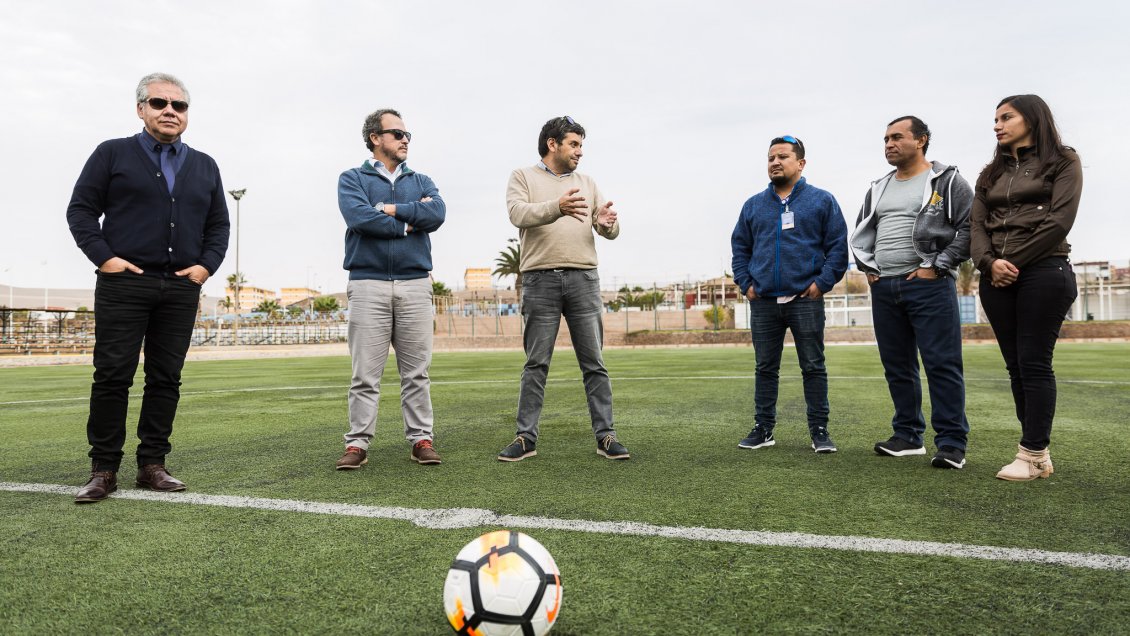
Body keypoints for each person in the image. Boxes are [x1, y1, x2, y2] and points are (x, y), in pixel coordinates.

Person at [66, 73, 230, 502]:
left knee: (165, 379)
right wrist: (105, 259)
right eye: (159, 103)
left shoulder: (205, 165)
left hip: (179, 288)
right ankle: (103, 469)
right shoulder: (112, 153)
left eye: (179, 105)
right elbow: (81, 210)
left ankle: (153, 465)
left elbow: (218, 225)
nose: (170, 111)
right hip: (124, 284)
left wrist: (205, 267)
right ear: (141, 109)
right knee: (112, 376)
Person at [497, 115, 628, 462]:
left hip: (584, 279)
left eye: (581, 145)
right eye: (574, 144)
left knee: (594, 363)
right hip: (540, 281)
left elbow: (607, 228)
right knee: (536, 363)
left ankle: (606, 436)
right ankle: (526, 438)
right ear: (552, 144)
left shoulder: (587, 182)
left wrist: (606, 225)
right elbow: (518, 213)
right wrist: (557, 207)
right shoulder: (522, 177)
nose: (580, 152)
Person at [850, 116, 973, 469]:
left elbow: (968, 227)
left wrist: (937, 265)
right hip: (884, 287)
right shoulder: (878, 187)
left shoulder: (947, 181)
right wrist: (869, 269)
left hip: (928, 285)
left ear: (921, 140)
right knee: (897, 366)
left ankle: (951, 443)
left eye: (896, 137)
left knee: (941, 364)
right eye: (885, 138)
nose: (888, 144)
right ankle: (907, 436)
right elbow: (864, 230)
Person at [970, 95, 1082, 481]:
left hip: (1045, 270)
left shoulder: (1063, 161)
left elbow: (1059, 221)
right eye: (995, 119)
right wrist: (989, 264)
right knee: (1016, 367)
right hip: (996, 276)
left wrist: (1011, 261)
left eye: (1006, 117)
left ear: (1032, 119)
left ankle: (1032, 454)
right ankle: (1036, 451)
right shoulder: (990, 173)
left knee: (1034, 363)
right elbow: (977, 227)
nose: (997, 125)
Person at [335, 108, 446, 470]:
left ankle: (421, 440)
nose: (405, 139)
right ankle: (357, 444)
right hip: (367, 283)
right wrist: (408, 223)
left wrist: (388, 208)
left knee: (417, 372)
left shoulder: (422, 179)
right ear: (375, 138)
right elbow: (359, 217)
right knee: (365, 373)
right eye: (397, 133)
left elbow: (437, 214)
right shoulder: (352, 178)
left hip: (415, 284)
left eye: (407, 134)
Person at [731, 136, 848, 454]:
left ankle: (819, 430)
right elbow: (740, 247)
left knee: (813, 366)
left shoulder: (822, 201)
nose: (775, 162)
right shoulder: (754, 205)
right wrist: (746, 283)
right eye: (770, 157)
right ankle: (763, 428)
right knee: (765, 367)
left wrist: (821, 283)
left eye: (783, 156)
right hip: (765, 301)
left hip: (805, 300)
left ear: (801, 163)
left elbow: (838, 246)